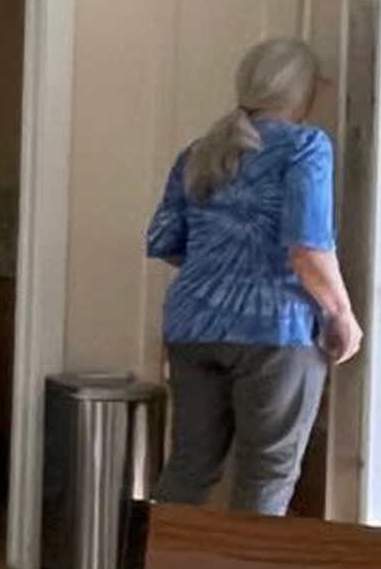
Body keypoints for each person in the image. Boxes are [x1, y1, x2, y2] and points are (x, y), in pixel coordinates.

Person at [146, 34, 362, 515]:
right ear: (304, 90)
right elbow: (308, 248)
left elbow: (165, 240)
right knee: (267, 473)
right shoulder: (306, 147)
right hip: (274, 330)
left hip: (191, 327)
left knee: (188, 467)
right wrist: (343, 315)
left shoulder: (198, 152)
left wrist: (222, 276)